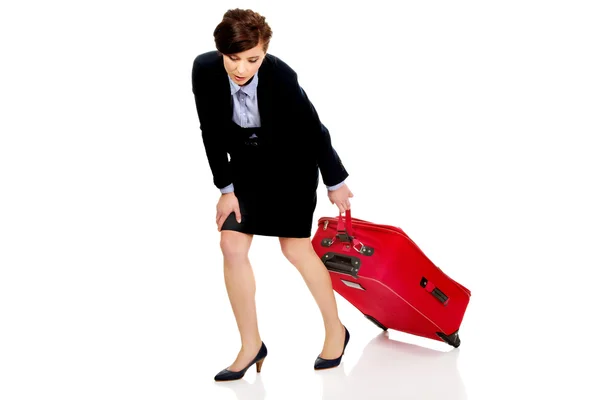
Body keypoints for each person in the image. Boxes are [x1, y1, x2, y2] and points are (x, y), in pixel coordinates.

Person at [191, 8, 353, 381]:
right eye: (233, 59)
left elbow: (314, 130)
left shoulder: (280, 76)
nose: (242, 68)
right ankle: (251, 345)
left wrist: (334, 181)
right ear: (220, 52)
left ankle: (336, 331)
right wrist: (225, 189)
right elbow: (210, 130)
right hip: (246, 168)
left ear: (264, 51)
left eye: (253, 59)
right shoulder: (204, 69)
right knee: (231, 244)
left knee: (294, 248)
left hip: (290, 167)